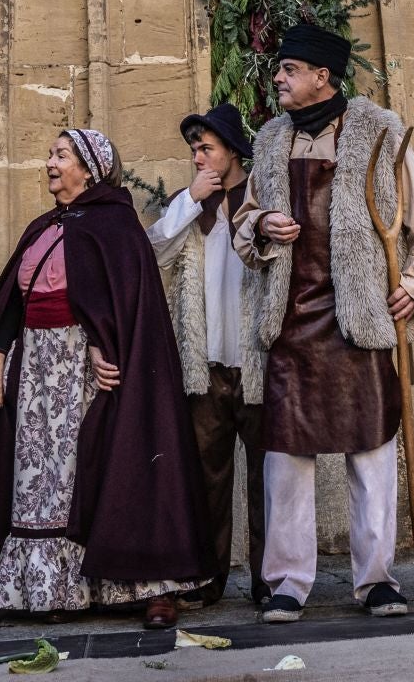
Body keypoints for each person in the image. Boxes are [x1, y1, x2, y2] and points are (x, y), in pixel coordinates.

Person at [234, 24, 414, 624]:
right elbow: (245, 217)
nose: (278, 79)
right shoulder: (268, 141)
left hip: (357, 319)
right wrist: (260, 228)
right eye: (279, 69)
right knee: (285, 458)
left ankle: (378, 580)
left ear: (321, 76)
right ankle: (286, 582)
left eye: (288, 69)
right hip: (290, 320)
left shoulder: (380, 131)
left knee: (371, 452)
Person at [0, 129, 209, 629]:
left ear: (91, 168)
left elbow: (120, 300)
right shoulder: (43, 226)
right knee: (42, 476)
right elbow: (14, 299)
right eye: (51, 154)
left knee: (98, 470)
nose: (50, 162)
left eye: (62, 155)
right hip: (35, 367)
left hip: (86, 371)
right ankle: (51, 588)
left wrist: (103, 344)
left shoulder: (115, 223)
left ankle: (146, 586)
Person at [147, 103, 266, 609]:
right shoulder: (187, 203)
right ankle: (207, 578)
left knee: (269, 477)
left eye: (206, 149)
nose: (197, 157)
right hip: (206, 366)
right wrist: (190, 202)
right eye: (193, 150)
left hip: (258, 362)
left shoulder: (262, 195)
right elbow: (153, 253)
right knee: (206, 478)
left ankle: (271, 581)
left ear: (233, 152)